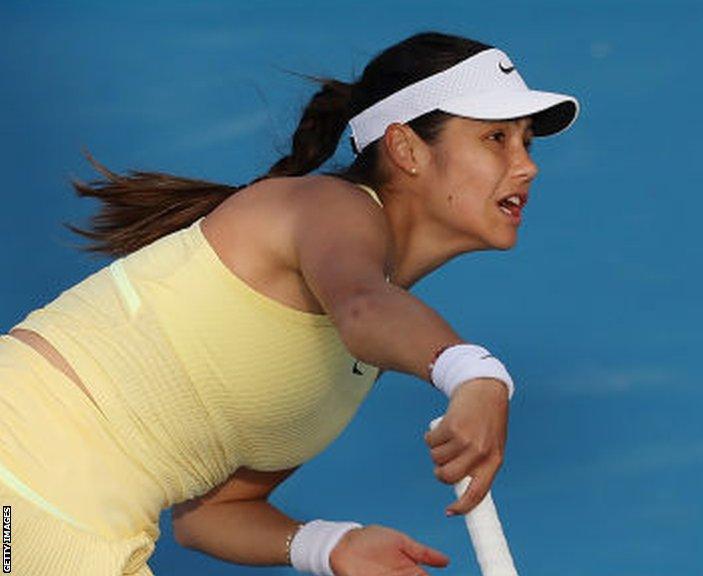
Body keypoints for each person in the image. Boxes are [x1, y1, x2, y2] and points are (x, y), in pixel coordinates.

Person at [0, 30, 578, 575]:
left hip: (86, 516)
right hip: (22, 473)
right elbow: (362, 306)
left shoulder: (367, 353)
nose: (527, 164)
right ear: (405, 147)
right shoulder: (330, 207)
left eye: (525, 141)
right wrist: (474, 373)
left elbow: (209, 517)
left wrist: (330, 545)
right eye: (495, 137)